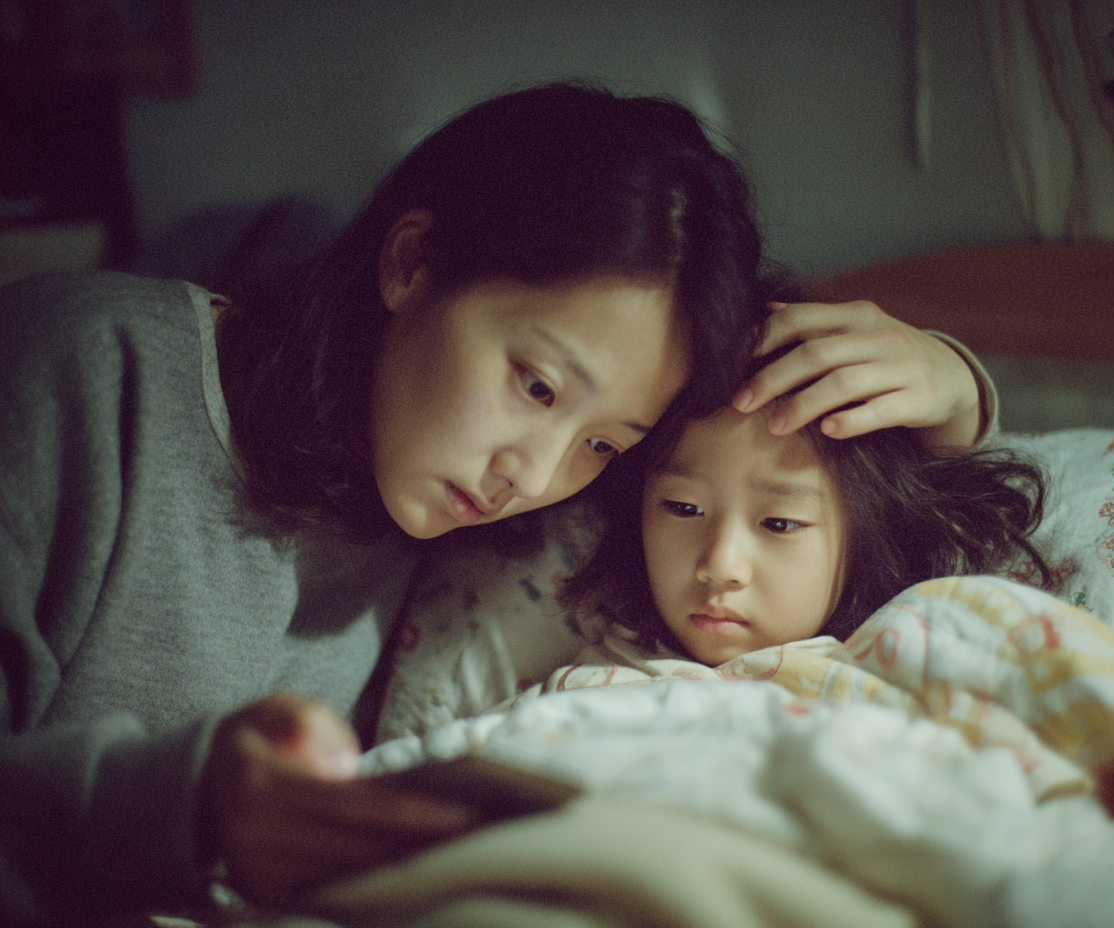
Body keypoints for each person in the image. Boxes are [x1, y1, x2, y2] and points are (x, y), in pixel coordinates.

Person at [0, 81, 986, 924]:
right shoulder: (77, 371)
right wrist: (184, 808)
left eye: (605, 442)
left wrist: (954, 386)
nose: (539, 471)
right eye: (538, 386)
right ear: (412, 262)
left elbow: (760, 476)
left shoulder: (503, 526)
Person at [561, 338, 1050, 667]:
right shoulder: (590, 684)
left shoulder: (898, 679)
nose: (719, 566)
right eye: (683, 509)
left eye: (778, 523)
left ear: (868, 536)